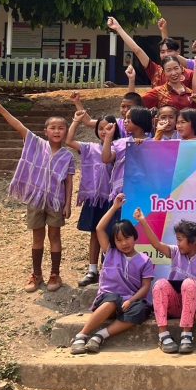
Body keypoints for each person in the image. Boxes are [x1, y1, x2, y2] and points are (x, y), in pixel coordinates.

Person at [0, 100, 74, 293]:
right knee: (37, 237)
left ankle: (55, 274)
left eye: (61, 128)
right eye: (52, 128)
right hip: (35, 199)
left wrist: (68, 204)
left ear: (66, 132)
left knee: (54, 236)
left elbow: (68, 182)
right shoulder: (36, 144)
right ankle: (36, 274)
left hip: (56, 202)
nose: (57, 131)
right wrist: (1, 109)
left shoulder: (67, 156)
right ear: (46, 131)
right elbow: (18, 125)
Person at [70, 194, 154, 354]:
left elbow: (145, 287)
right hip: (108, 300)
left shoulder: (145, 260)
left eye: (127, 238)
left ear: (135, 237)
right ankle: (81, 335)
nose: (124, 243)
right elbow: (99, 229)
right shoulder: (110, 253)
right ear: (114, 242)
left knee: (142, 309)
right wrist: (115, 207)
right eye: (119, 240)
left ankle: (100, 336)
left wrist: (131, 300)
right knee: (113, 299)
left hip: (129, 303)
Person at [134, 210, 196, 354]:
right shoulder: (175, 252)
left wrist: (192, 288)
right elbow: (156, 244)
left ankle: (187, 335)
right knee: (160, 284)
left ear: (193, 241)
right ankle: (163, 336)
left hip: (195, 307)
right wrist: (143, 221)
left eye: (180, 240)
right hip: (174, 306)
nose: (177, 244)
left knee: (189, 283)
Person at [66, 110, 117, 287]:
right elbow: (69, 141)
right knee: (95, 233)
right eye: (100, 128)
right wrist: (76, 121)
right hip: (94, 198)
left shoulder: (119, 148)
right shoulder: (89, 147)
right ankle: (92, 270)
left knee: (112, 233)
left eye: (108, 128)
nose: (104, 131)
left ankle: (108, 269)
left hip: (112, 199)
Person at [106, 17, 193, 88]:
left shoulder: (189, 74)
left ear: (177, 52)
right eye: (162, 52)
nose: (166, 54)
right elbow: (137, 50)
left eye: (169, 51)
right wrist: (118, 28)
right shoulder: (155, 71)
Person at [102, 106, 153, 202]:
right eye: (125, 118)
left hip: (145, 192)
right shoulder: (121, 143)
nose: (125, 121)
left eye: (129, 118)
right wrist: (108, 137)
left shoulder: (154, 143)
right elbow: (106, 159)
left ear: (140, 120)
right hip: (122, 195)